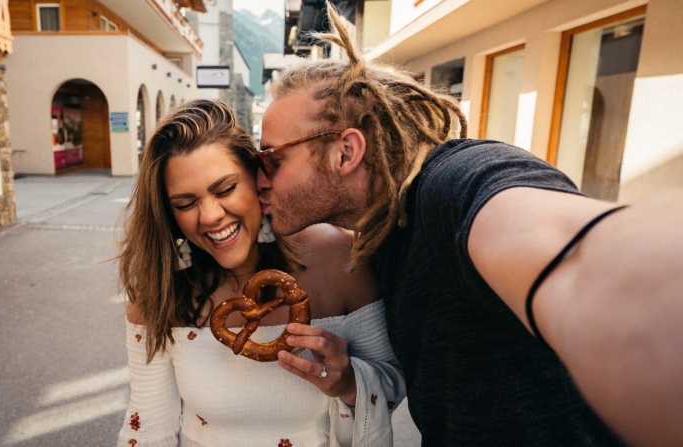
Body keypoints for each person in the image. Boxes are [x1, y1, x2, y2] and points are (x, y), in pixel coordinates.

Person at [256, 5, 683, 447]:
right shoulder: (386, 232)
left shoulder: (454, 186)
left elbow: (582, 263)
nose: (259, 179)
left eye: (272, 159)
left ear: (346, 153)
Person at [115, 99, 406, 447]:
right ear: (168, 214)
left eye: (225, 189)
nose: (209, 216)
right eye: (185, 203)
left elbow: (397, 387)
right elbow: (147, 427)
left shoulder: (340, 258)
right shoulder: (159, 291)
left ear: (258, 179)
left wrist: (349, 384)